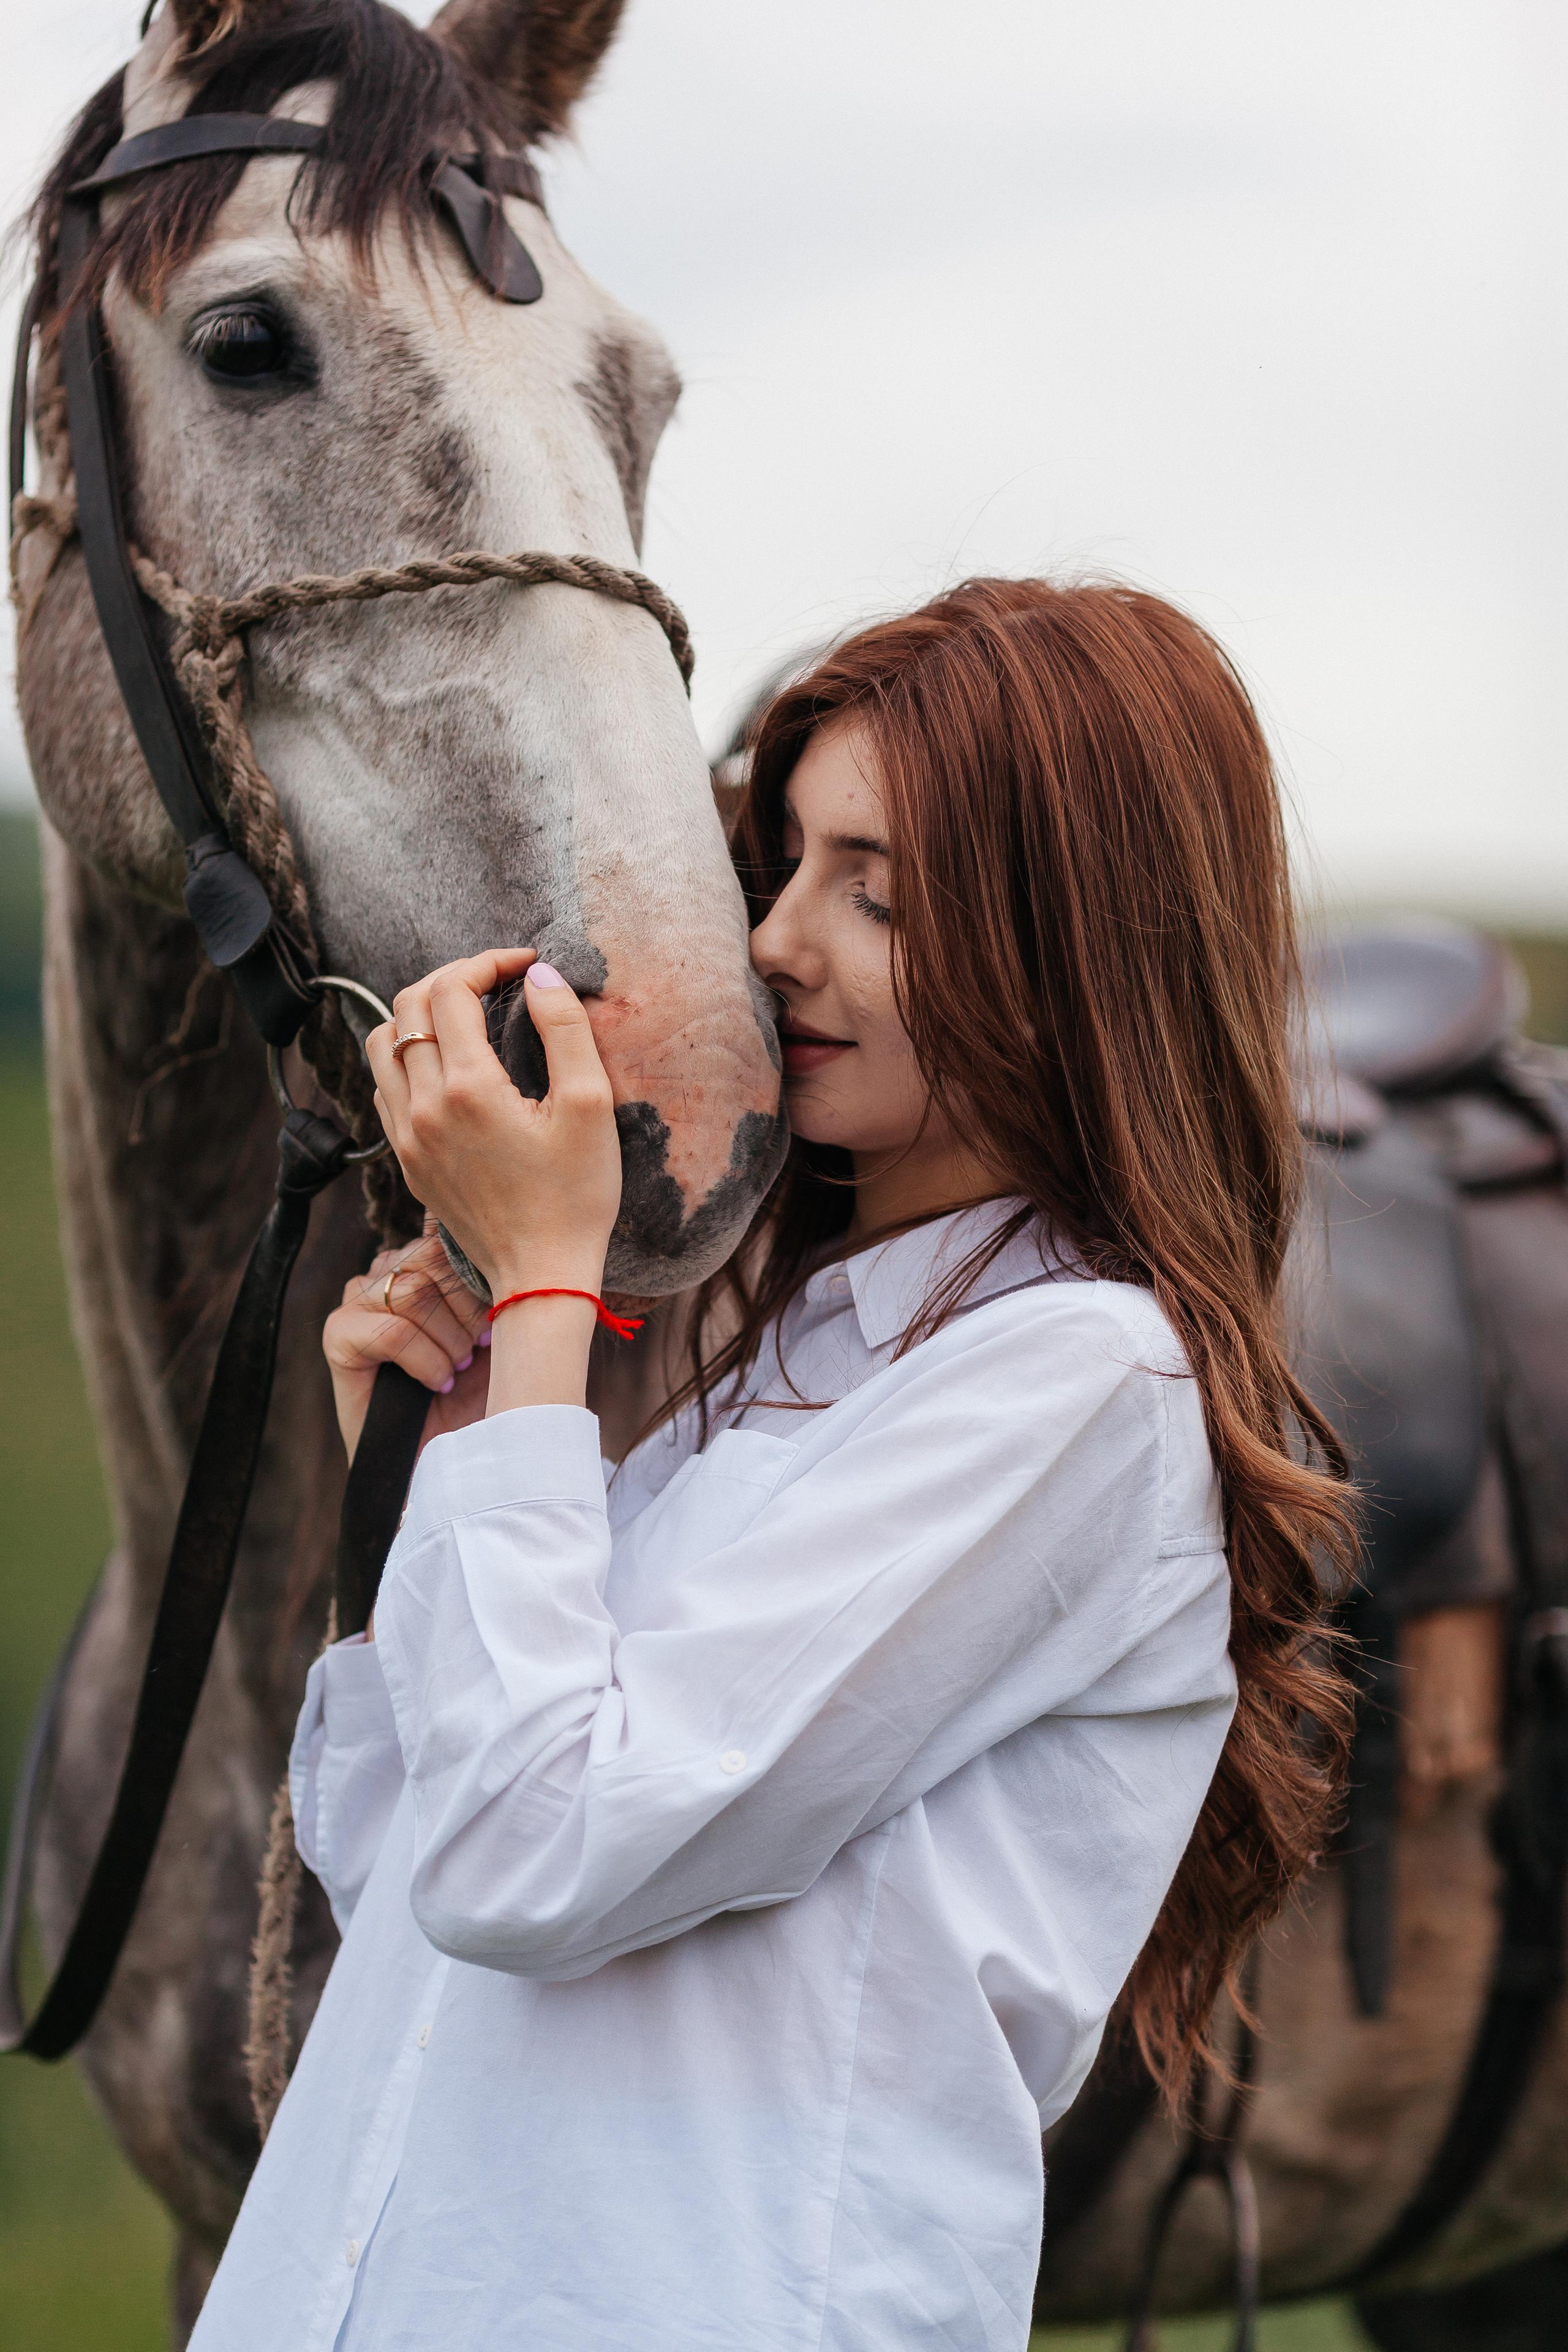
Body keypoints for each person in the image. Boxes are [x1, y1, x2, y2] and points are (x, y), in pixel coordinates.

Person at [190, 577, 1354, 2351]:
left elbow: (536, 1856)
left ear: (1080, 945)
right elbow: (411, 1877)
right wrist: (433, 1456)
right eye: (786, 864)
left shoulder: (1079, 1385)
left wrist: (556, 1286)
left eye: (874, 891)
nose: (782, 941)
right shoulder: (780, 1348)